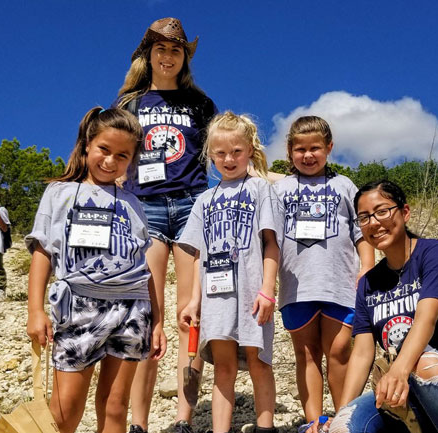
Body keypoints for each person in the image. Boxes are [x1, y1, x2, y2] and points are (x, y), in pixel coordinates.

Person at [25, 107, 167, 433]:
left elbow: (144, 268)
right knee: (64, 412)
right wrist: (35, 310)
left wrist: (157, 322)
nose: (110, 161)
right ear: (88, 143)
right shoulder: (58, 193)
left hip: (132, 311)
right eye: (104, 149)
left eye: (122, 155)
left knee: (116, 409)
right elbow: (42, 252)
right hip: (78, 308)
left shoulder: (132, 203)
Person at [319, 180, 438, 433]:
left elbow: (426, 319)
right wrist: (341, 414)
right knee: (342, 429)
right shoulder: (368, 284)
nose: (374, 223)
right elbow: (361, 354)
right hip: (405, 396)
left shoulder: (435, 253)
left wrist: (399, 371)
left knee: (425, 364)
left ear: (404, 212)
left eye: (382, 211)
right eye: (364, 217)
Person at [114, 17, 217, 433]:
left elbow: (222, 150)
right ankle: (138, 423)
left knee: (189, 315)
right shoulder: (131, 104)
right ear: (148, 54)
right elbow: (117, 156)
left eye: (176, 49)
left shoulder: (200, 104)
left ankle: (183, 420)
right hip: (146, 206)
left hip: (192, 205)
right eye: (161, 48)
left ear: (184, 57)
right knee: (146, 316)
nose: (168, 55)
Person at [179, 112, 282, 433]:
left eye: (236, 151)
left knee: (258, 363)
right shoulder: (204, 201)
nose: (229, 159)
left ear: (250, 149)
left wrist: (268, 289)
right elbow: (197, 255)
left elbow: (271, 244)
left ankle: (266, 427)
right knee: (223, 368)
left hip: (253, 295)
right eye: (220, 153)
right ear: (210, 155)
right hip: (215, 296)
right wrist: (194, 301)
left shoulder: (261, 190)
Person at [273, 116, 375, 424]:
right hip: (296, 287)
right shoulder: (280, 190)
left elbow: (363, 231)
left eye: (315, 148)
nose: (308, 155)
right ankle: (314, 423)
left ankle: (346, 420)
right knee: (306, 355)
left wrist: (367, 266)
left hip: (339, 285)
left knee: (340, 352)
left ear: (329, 148)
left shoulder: (344, 185)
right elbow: (269, 239)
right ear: (290, 151)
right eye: (300, 149)